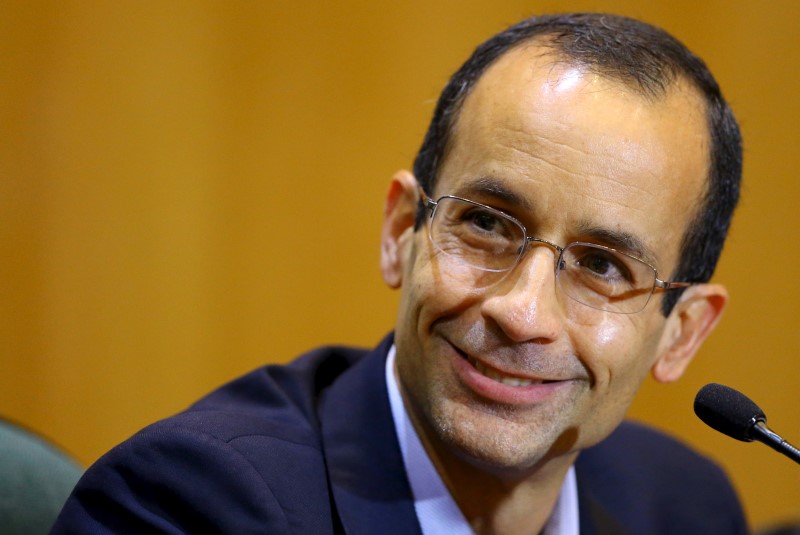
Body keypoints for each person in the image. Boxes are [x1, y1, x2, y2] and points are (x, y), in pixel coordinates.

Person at [51, 12, 747, 535]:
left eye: (601, 265)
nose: (523, 312)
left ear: (680, 333)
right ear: (401, 232)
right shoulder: (192, 505)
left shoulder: (684, 505)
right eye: (486, 224)